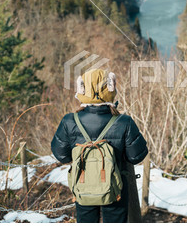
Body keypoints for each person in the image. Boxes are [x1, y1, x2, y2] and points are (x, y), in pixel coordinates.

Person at [51, 69, 148, 223]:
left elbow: (61, 156)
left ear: (82, 89)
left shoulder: (69, 121)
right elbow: (137, 156)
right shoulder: (123, 121)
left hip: (83, 185)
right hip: (116, 187)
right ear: (110, 88)